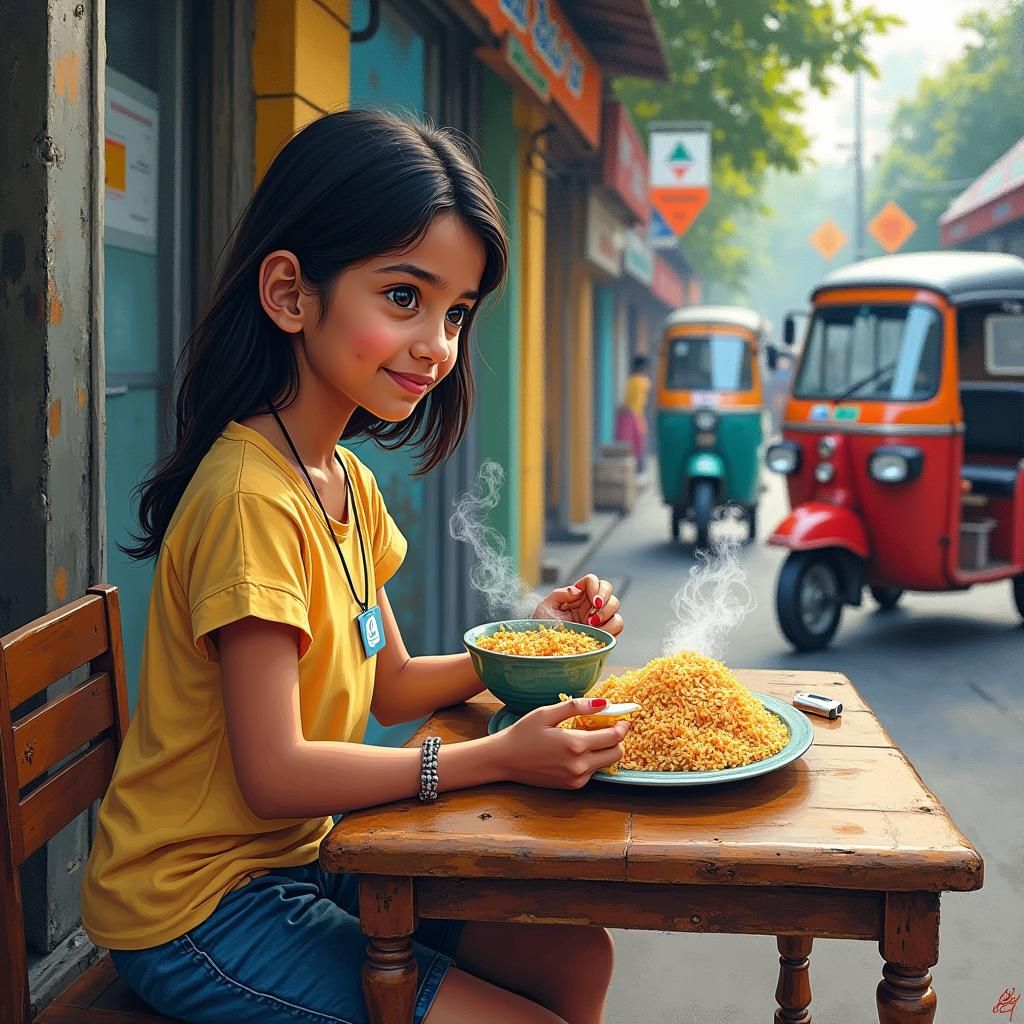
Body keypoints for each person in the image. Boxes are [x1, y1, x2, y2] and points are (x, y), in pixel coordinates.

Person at [80, 110, 629, 1024]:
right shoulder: (251, 500)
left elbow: (394, 685)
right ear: (290, 294)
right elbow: (276, 774)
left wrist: (538, 639)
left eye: (456, 313)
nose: (438, 345)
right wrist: (497, 758)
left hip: (305, 857)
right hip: (198, 905)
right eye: (404, 297)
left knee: (573, 953)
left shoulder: (343, 480)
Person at [615, 353, 651, 472]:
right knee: (637, 441)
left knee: (632, 441)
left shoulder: (632, 381)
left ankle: (638, 465)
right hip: (634, 414)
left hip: (631, 413)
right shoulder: (642, 381)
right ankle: (639, 466)